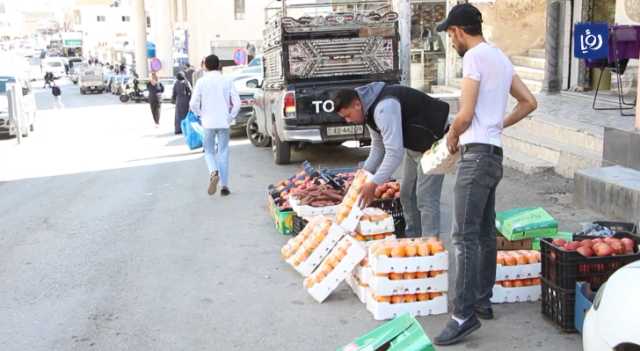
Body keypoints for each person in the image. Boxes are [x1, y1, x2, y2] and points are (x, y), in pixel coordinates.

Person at [432, 4, 537, 346]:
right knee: (484, 233)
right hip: (494, 157)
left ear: (461, 31)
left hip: (475, 158)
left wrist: (451, 136)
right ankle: (481, 300)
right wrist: (497, 126)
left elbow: (464, 113)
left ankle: (462, 316)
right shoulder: (501, 58)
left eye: (450, 35)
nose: (451, 41)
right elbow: (529, 101)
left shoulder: (474, 57)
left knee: (463, 236)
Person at [332, 83, 449, 238]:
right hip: (416, 144)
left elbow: (394, 153)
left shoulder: (383, 108)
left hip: (435, 143)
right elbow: (378, 147)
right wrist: (362, 176)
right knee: (407, 195)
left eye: (348, 115)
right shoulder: (369, 110)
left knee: (426, 198)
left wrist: (373, 183)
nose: (348, 121)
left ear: (357, 104)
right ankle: (413, 237)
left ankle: (431, 246)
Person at [189, 54, 240, 197]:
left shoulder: (201, 82)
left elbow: (192, 104)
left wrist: (200, 114)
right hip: (223, 122)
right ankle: (224, 186)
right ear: (219, 65)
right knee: (223, 152)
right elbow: (237, 103)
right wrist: (230, 117)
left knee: (209, 151)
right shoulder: (227, 80)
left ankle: (213, 171)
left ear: (205, 66)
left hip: (208, 123)